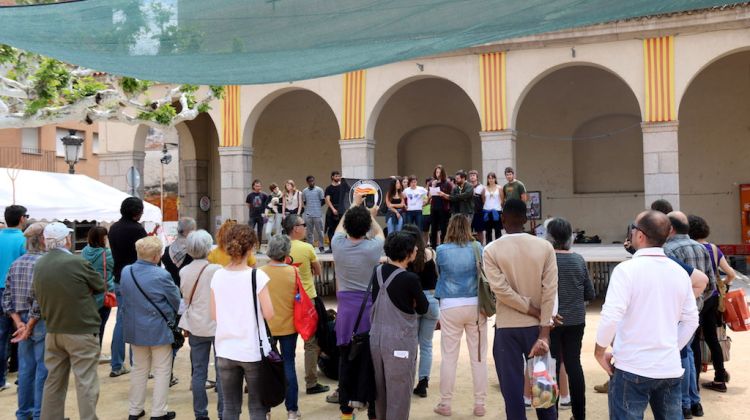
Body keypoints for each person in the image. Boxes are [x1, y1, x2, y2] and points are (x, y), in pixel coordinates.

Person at [595, 210, 699, 420]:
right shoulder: (678, 272)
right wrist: (670, 347)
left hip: (631, 367)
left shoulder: (626, 270)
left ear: (640, 236)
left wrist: (599, 350)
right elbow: (691, 319)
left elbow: (611, 316)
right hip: (668, 368)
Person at [484, 199, 558, 420]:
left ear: (502, 219)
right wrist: (544, 330)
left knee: (513, 396)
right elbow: (550, 291)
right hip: (538, 330)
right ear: (527, 220)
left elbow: (502, 292)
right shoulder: (545, 247)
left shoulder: (491, 250)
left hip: (507, 330)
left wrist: (531, 309)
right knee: (545, 396)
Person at [34, 222, 104, 420]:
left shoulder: (40, 264)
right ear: (66, 239)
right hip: (81, 329)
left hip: (53, 329)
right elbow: (99, 284)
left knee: (53, 381)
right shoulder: (76, 262)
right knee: (86, 382)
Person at [210, 224, 275, 420]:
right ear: (251, 247)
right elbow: (269, 313)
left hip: (225, 349)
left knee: (230, 408)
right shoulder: (257, 275)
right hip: (252, 349)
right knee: (257, 408)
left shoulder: (217, 275)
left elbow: (214, 315)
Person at [332, 196, 385, 420]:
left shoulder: (338, 245)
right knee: (371, 366)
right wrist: (371, 215)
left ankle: (346, 413)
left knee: (346, 363)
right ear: (365, 228)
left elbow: (338, 228)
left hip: (346, 314)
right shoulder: (372, 248)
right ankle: (372, 412)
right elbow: (380, 233)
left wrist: (354, 205)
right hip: (369, 311)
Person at [120, 236, 181, 420]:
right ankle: (158, 411)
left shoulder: (126, 271)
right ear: (156, 256)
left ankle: (135, 409)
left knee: (139, 368)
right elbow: (175, 300)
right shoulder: (162, 275)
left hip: (134, 327)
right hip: (159, 328)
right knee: (162, 370)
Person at [433, 214, 488, 417]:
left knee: (449, 357)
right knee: (479, 357)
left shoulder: (441, 250)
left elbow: (440, 272)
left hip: (449, 304)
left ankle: (445, 403)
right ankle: (479, 404)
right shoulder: (477, 248)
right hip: (475, 304)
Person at [369, 231, 428, 419]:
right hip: (400, 343)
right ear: (408, 252)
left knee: (380, 393)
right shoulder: (410, 279)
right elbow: (423, 308)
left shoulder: (377, 271)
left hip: (376, 340)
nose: (417, 249)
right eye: (414, 247)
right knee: (400, 393)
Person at [664, 210, 715, 418]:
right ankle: (695, 401)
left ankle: (684, 404)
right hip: (697, 308)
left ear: (670, 229)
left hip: (677, 312)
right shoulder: (701, 247)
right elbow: (710, 283)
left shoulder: (668, 250)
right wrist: (698, 301)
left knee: (681, 355)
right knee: (690, 353)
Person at [545, 218, 595, 420]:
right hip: (576, 320)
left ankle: (552, 414)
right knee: (574, 364)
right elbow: (589, 294)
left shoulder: (546, 260)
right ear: (570, 238)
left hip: (552, 320)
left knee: (553, 366)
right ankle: (579, 415)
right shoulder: (578, 259)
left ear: (549, 237)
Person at [2, 222, 47, 419]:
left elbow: (7, 297)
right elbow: (40, 298)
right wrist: (28, 324)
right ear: (43, 239)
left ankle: (24, 412)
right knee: (42, 369)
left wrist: (18, 321)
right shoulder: (44, 264)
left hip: (21, 319)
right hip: (39, 321)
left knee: (26, 368)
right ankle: (39, 413)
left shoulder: (17, 263)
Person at [281, 214, 329, 395]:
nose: (306, 227)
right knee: (310, 343)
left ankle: (286, 383)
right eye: (303, 225)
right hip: (307, 301)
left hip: (287, 301)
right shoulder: (307, 248)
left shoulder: (280, 246)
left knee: (287, 346)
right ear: (295, 228)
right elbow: (318, 271)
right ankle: (311, 383)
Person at [688, 214, 736, 394]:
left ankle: (694, 382)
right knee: (712, 338)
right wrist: (724, 287)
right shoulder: (714, 249)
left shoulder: (690, 249)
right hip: (713, 299)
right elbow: (731, 273)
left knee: (692, 340)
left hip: (696, 297)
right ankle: (719, 379)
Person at [179, 230, 224, 420]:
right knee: (222, 371)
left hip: (196, 324)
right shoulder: (217, 270)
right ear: (208, 247)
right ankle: (223, 412)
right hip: (217, 324)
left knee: (199, 372)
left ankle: (200, 414)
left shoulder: (183, 271)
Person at [260, 234, 302, 420]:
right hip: (289, 326)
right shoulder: (293, 272)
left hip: (266, 327)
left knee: (266, 369)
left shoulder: (259, 272)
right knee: (289, 365)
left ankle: (266, 410)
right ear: (286, 252)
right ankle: (291, 410)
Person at [108, 197, 148, 378]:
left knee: (121, 321)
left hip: (119, 277)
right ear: (136, 212)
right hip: (136, 278)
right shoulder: (138, 230)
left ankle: (116, 364)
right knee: (138, 320)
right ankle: (136, 363)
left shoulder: (114, 228)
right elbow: (145, 254)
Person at [401, 224, 439, 398]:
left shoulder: (406, 258)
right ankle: (423, 382)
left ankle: (408, 381)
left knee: (411, 345)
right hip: (432, 301)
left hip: (413, 302)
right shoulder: (431, 254)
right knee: (427, 345)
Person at [0, 204, 28, 391]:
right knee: (23, 333)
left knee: (1, 335)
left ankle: (1, 379)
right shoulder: (24, 240)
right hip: (17, 291)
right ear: (21, 219)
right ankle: (21, 376)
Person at [81, 226, 115, 346]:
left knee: (88, 328)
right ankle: (96, 352)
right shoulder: (107, 253)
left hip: (88, 294)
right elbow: (112, 269)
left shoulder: (84, 251)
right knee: (101, 327)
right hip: (104, 295)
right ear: (103, 238)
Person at [161, 217, 196, 287]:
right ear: (190, 231)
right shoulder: (194, 252)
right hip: (188, 290)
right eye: (194, 229)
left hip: (170, 288)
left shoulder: (166, 250)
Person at [429, 165, 452, 247]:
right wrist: (433, 186)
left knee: (443, 228)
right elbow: (429, 196)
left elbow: (452, 196)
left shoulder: (447, 183)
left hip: (443, 208)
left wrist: (443, 194)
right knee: (433, 228)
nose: (438, 174)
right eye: (436, 172)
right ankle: (433, 246)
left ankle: (443, 245)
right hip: (434, 208)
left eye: (439, 172)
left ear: (443, 173)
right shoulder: (432, 182)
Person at [302, 175, 326, 252]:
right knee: (309, 232)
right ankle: (310, 247)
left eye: (313, 180)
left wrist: (317, 207)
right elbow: (305, 202)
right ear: (307, 182)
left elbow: (323, 201)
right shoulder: (304, 191)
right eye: (310, 181)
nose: (311, 182)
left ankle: (321, 246)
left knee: (320, 232)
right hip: (308, 215)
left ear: (314, 181)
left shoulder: (319, 190)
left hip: (318, 214)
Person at [324, 171, 344, 252]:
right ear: (332, 177)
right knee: (331, 229)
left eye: (339, 176)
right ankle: (332, 248)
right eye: (336, 176)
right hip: (332, 210)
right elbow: (327, 200)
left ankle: (341, 247)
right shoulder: (329, 188)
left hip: (341, 210)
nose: (338, 177)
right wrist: (333, 209)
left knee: (342, 229)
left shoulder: (342, 187)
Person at [246, 179, 268, 251]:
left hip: (261, 216)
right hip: (252, 216)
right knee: (250, 231)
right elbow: (248, 204)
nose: (258, 187)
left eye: (259, 186)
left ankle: (258, 248)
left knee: (260, 232)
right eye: (257, 186)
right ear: (253, 186)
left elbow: (267, 204)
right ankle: (250, 247)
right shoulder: (250, 195)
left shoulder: (264, 195)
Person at [483, 172, 503, 243]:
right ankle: (489, 245)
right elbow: (483, 199)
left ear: (495, 179)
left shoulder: (499, 188)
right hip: (487, 211)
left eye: (492, 178)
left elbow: (502, 199)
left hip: (496, 211)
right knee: (488, 231)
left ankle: (499, 246)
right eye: (489, 178)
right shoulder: (485, 188)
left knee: (498, 230)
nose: (491, 180)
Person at [468, 170, 486, 244]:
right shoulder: (466, 187)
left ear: (477, 177)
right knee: (468, 230)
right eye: (471, 175)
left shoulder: (482, 187)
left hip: (478, 212)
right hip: (469, 212)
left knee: (480, 230)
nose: (472, 177)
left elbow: (484, 200)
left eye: (473, 175)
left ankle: (481, 245)